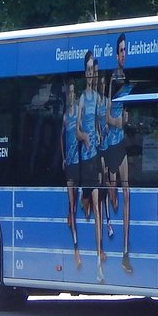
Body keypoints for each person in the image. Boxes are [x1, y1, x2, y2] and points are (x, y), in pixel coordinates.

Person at [103, 34, 133, 274]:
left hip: (121, 143)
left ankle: (125, 251)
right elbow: (107, 117)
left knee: (127, 192)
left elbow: (127, 112)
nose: (123, 54)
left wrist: (126, 120)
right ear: (116, 54)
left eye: (126, 50)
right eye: (120, 50)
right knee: (114, 197)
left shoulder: (128, 79)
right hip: (111, 144)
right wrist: (119, 121)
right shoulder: (112, 79)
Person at [77, 51, 106, 282]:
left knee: (97, 206)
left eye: (92, 72)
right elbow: (77, 129)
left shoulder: (97, 98)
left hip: (95, 156)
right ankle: (82, 200)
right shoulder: (81, 100)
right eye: (87, 72)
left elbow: (99, 123)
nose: (90, 75)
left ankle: (98, 260)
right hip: (84, 157)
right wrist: (84, 136)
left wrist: (99, 134)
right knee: (86, 204)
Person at [61, 78, 83, 270]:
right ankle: (76, 247)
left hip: (79, 163)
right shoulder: (65, 116)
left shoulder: (78, 113)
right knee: (72, 205)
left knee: (78, 202)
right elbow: (62, 139)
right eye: (70, 92)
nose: (72, 95)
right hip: (70, 164)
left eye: (74, 92)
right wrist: (63, 158)